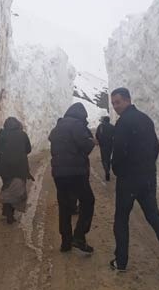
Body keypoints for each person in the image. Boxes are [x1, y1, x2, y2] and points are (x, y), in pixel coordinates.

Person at [108, 87, 159, 272]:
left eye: (118, 102)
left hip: (128, 180)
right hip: (148, 178)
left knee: (121, 219)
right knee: (154, 217)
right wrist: (147, 165)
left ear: (127, 100)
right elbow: (155, 147)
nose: (115, 106)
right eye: (113, 103)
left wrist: (117, 169)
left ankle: (121, 261)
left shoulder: (123, 123)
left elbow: (117, 152)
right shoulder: (146, 119)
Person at [48, 103, 96, 253]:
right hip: (76, 172)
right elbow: (85, 146)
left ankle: (66, 242)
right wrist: (91, 142)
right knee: (87, 201)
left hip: (59, 173)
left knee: (64, 206)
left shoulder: (58, 126)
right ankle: (79, 236)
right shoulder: (77, 125)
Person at [0, 117, 33, 224]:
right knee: (16, 189)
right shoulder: (22, 134)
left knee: (7, 186)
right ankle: (10, 212)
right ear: (18, 125)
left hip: (5, 166)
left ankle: (7, 210)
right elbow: (28, 149)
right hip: (20, 166)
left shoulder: (2, 134)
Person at [96, 116, 115, 181]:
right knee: (108, 157)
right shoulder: (112, 126)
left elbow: (97, 135)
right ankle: (108, 168)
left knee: (104, 159)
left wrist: (99, 141)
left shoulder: (100, 126)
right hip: (110, 145)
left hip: (103, 145)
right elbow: (115, 135)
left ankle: (107, 170)